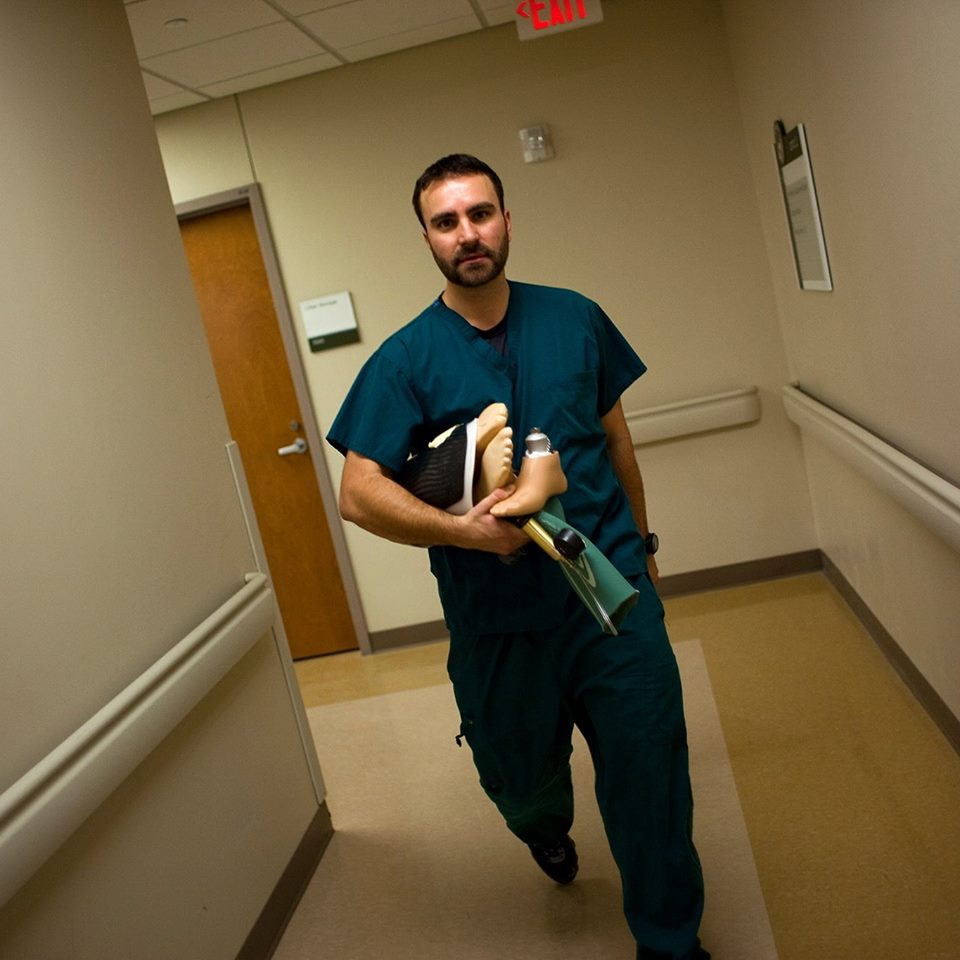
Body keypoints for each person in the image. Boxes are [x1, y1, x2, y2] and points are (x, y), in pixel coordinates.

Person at [326, 154, 708, 960]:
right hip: (498, 622)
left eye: (481, 214)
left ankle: (670, 944)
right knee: (522, 779)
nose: (468, 233)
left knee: (651, 779)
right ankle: (542, 826)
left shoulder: (575, 318)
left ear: (506, 218)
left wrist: (641, 550)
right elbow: (357, 492)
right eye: (446, 221)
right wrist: (468, 534)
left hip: (610, 600)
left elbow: (614, 440)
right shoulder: (404, 359)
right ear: (427, 237)